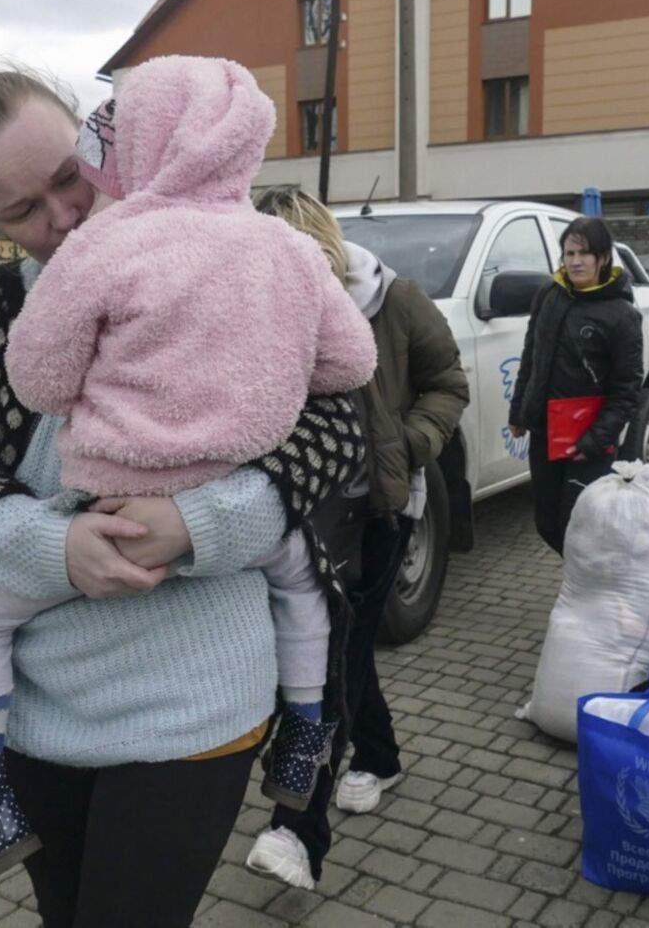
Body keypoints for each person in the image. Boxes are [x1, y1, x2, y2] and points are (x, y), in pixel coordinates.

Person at [0, 56, 376, 907]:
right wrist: (51, 545)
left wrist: (205, 520)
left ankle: (304, 730)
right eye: (21, 211)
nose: (64, 217)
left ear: (101, 142)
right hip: (37, 710)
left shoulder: (240, 265)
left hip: (197, 706)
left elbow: (339, 416)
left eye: (65, 180)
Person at [244, 187, 468, 889]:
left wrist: (406, 442)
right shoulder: (255, 312)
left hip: (378, 511)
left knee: (335, 658)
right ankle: (379, 753)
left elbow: (449, 383)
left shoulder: (389, 300)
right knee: (342, 656)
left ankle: (296, 832)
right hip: (296, 517)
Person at [508, 217, 643, 556]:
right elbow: (531, 355)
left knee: (578, 523)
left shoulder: (621, 313)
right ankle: (588, 583)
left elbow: (627, 387)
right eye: (569, 253)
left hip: (590, 438)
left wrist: (597, 440)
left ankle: (596, 590)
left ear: (602, 258)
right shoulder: (549, 296)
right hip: (545, 431)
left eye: (584, 253)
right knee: (546, 522)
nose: (575, 261)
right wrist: (520, 410)